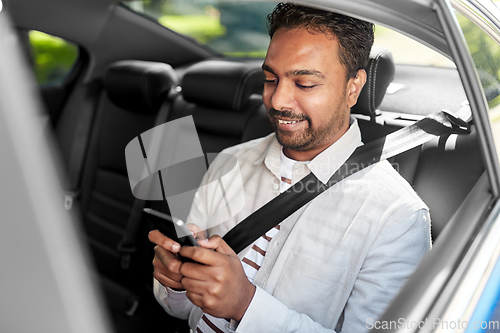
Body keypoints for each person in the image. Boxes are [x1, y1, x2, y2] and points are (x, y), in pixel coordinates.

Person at [149, 3, 431, 332]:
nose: (278, 100)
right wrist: (177, 282)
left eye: (305, 84)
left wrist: (245, 304)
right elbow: (180, 311)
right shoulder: (230, 163)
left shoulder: (396, 217)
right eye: (270, 78)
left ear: (353, 87)